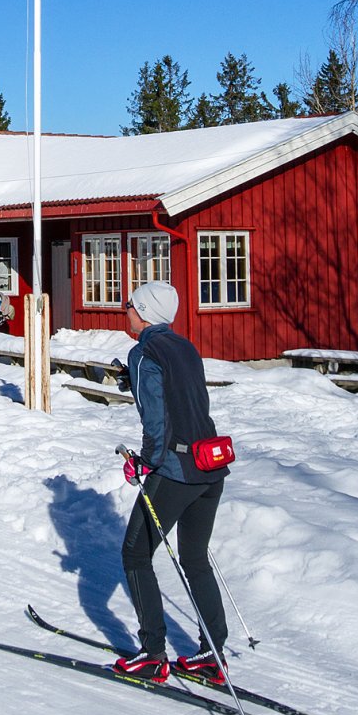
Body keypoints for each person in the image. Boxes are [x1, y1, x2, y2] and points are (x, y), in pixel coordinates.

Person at [112, 280, 231, 686]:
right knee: (194, 558)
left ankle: (152, 653)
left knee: (135, 554)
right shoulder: (184, 346)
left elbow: (156, 419)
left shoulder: (143, 352)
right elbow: (182, 396)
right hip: (209, 465)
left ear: (143, 312)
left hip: (176, 469)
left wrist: (146, 462)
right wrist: (133, 379)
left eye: (130, 306)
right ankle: (212, 654)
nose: (126, 312)